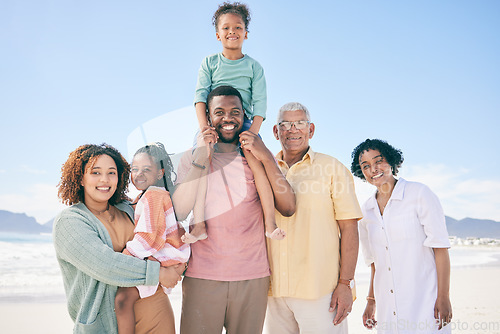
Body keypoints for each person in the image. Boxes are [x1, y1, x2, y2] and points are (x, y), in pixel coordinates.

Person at [172, 85, 296, 334]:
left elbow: (289, 207)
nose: (228, 118)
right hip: (202, 277)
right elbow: (180, 211)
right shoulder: (192, 157)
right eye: (219, 112)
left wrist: (267, 156)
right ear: (208, 117)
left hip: (253, 276)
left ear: (244, 116)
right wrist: (199, 156)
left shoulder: (256, 156)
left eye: (235, 112)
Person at [53, 143, 183, 334]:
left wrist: (179, 261)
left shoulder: (129, 208)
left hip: (156, 313)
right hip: (107, 325)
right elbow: (104, 264)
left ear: (119, 176)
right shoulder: (70, 222)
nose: (104, 180)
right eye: (95, 172)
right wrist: (159, 273)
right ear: (81, 178)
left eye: (111, 172)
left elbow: (164, 232)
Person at [187, 1, 285, 243]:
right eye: (227, 28)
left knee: (257, 164)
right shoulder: (209, 63)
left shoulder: (254, 67)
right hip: (214, 123)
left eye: (238, 27)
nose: (233, 32)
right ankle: (198, 224)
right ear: (218, 34)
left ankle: (270, 225)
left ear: (246, 33)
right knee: (201, 162)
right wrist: (205, 129)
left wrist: (251, 133)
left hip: (245, 124)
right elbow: (200, 97)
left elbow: (260, 105)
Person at [265, 102, 363, 334]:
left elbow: (349, 229)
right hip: (272, 290)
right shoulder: (265, 169)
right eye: (285, 124)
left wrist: (345, 284)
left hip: (320, 291)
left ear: (311, 130)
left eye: (300, 123)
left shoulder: (332, 168)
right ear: (276, 132)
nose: (293, 129)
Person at [350, 138, 452, 333]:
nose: (374, 169)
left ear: (391, 161)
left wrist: (444, 296)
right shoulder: (366, 211)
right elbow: (374, 263)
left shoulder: (419, 194)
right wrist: (371, 301)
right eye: (366, 166)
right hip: (387, 309)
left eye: (378, 161)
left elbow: (440, 248)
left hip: (424, 302)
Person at [114, 143, 190, 334]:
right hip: (165, 255)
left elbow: (150, 238)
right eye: (135, 169)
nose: (139, 174)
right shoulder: (144, 196)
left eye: (146, 169)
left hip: (165, 255)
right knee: (125, 299)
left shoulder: (154, 194)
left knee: (122, 299)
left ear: (160, 173)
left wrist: (125, 258)